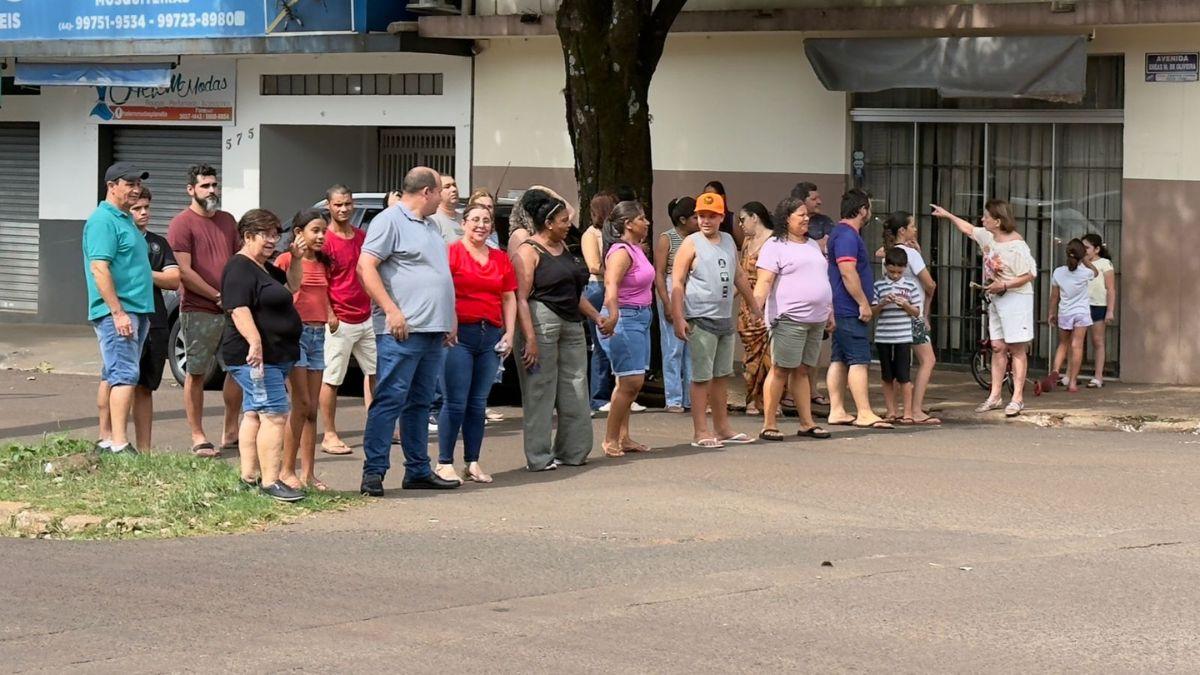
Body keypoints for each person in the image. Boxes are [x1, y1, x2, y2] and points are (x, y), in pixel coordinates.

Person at [357, 167, 462, 496]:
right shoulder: (390, 220)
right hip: (402, 330)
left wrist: (449, 317)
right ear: (427, 192)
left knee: (419, 402)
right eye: (441, 190)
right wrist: (391, 310)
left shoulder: (431, 225)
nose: (445, 196)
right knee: (389, 399)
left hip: (432, 329)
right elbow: (366, 265)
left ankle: (417, 469)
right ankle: (373, 472)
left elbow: (438, 275)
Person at [221, 209, 306, 503]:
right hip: (258, 357)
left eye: (275, 235)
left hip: (276, 354)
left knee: (255, 412)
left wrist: (295, 258)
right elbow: (237, 307)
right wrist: (255, 342)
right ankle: (271, 481)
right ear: (248, 236)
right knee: (274, 413)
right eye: (266, 235)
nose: (273, 241)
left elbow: (293, 287)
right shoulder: (239, 268)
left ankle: (248, 477)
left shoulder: (265, 268)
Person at [514, 188, 600, 471]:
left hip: (572, 323)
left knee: (575, 386)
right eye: (563, 221)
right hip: (542, 323)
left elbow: (574, 294)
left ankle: (573, 451)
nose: (568, 225)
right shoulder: (528, 251)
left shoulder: (564, 248)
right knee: (540, 389)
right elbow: (521, 298)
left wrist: (597, 317)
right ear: (548, 223)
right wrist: (530, 339)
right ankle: (538, 457)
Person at [436, 203, 517, 484]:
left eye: (486, 221)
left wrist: (510, 332)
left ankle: (472, 461)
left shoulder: (499, 257)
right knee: (455, 401)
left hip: (490, 334)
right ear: (463, 223)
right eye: (475, 220)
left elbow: (508, 296)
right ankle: (444, 461)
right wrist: (450, 321)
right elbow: (442, 292)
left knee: (478, 403)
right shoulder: (452, 253)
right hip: (459, 335)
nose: (481, 225)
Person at [670, 191, 759, 448]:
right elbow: (677, 280)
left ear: (721, 216)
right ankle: (700, 431)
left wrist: (753, 304)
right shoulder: (691, 243)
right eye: (701, 216)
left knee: (721, 376)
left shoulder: (729, 240)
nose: (705, 221)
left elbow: (738, 275)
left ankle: (723, 428)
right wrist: (678, 316)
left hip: (723, 317)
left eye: (711, 216)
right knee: (701, 377)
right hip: (700, 317)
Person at [932, 200, 1037, 417]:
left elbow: (1029, 275)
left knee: (1017, 348)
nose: (982, 219)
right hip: (997, 297)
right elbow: (969, 229)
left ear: (997, 221)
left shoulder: (1017, 246)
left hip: (1016, 298)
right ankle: (995, 395)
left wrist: (1005, 284)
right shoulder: (989, 236)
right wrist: (948, 215)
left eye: (986, 216)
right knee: (997, 346)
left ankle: (1017, 398)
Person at [167, 164, 243, 458]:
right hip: (199, 309)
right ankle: (198, 435)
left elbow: (238, 258)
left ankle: (230, 429)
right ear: (191, 190)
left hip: (232, 308)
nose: (212, 190)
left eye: (214, 185)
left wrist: (235, 296)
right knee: (196, 372)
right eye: (205, 186)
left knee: (237, 368)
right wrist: (215, 295)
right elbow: (183, 271)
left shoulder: (227, 220)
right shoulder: (181, 224)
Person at [85, 162, 154, 455]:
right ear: (111, 186)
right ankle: (119, 443)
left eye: (138, 183)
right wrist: (117, 312)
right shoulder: (104, 220)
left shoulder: (125, 219)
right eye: (129, 183)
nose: (136, 189)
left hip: (136, 309)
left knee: (113, 374)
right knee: (125, 375)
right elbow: (99, 268)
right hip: (121, 311)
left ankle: (107, 439)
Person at [753, 196, 833, 442]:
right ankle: (769, 423)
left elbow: (822, 279)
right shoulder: (775, 246)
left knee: (803, 371)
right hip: (789, 318)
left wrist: (830, 310)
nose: (806, 218)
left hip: (816, 318)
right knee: (780, 370)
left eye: (806, 215)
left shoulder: (811, 245)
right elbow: (764, 282)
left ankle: (807, 423)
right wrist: (756, 312)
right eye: (800, 215)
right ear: (786, 218)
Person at [273, 210, 332, 491]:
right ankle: (286, 470)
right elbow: (276, 295)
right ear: (299, 233)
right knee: (301, 404)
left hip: (318, 335)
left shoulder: (322, 262)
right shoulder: (286, 260)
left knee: (311, 410)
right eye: (315, 230)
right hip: (295, 336)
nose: (321, 236)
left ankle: (308, 473)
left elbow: (324, 296)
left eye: (324, 231)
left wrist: (331, 313)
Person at [825, 189, 892, 429]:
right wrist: (863, 302)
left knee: (840, 359)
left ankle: (838, 410)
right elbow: (847, 271)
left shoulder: (840, 234)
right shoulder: (847, 236)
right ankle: (864, 412)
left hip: (841, 307)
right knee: (858, 359)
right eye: (868, 207)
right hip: (849, 308)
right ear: (862, 209)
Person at [318, 185, 377, 455]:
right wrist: (330, 313)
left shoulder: (363, 236)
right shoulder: (325, 240)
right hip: (340, 319)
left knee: (376, 373)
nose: (343, 209)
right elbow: (320, 282)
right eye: (338, 204)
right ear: (329, 206)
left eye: (347, 204)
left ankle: (378, 426)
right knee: (332, 379)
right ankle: (329, 434)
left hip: (367, 316)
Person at [596, 201, 655, 457]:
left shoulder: (637, 249)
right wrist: (614, 312)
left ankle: (623, 436)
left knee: (629, 381)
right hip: (625, 318)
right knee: (631, 381)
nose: (647, 222)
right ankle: (610, 440)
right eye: (642, 218)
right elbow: (611, 285)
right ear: (628, 224)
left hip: (641, 317)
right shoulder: (620, 251)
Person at [130, 188, 180, 450]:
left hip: (156, 319)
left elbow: (173, 279)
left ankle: (144, 450)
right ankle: (112, 440)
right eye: (137, 208)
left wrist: (144, 272)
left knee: (146, 386)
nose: (144, 213)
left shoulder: (158, 243)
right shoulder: (119, 239)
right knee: (121, 382)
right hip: (127, 320)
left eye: (147, 207)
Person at [881, 211, 940, 425]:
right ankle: (915, 408)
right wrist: (926, 309)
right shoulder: (911, 255)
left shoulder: (889, 254)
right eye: (912, 226)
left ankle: (894, 409)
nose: (916, 229)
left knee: (896, 365)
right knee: (928, 360)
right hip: (913, 313)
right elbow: (929, 283)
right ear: (902, 231)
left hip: (893, 316)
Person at [790, 181, 834, 408]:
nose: (820, 202)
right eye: (814, 198)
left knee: (814, 348)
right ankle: (789, 393)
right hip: (795, 302)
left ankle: (812, 389)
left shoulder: (826, 222)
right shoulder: (786, 227)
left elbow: (830, 246)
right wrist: (818, 244)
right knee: (791, 350)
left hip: (821, 292)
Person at [653, 197, 697, 413]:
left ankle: (691, 397)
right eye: (695, 217)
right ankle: (673, 398)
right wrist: (666, 302)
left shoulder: (697, 239)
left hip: (693, 293)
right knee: (673, 348)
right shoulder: (667, 239)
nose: (699, 220)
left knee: (692, 350)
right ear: (682, 220)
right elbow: (659, 274)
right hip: (672, 290)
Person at [872, 247, 922, 422]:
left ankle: (907, 412)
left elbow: (917, 312)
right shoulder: (878, 285)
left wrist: (906, 305)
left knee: (904, 376)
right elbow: (872, 312)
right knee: (887, 376)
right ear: (886, 267)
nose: (894, 275)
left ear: (905, 268)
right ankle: (890, 411)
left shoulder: (910, 285)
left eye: (898, 272)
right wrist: (882, 303)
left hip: (903, 337)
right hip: (883, 336)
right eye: (891, 271)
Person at [736, 202, 774, 416]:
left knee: (770, 354)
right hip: (747, 304)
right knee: (751, 355)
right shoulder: (747, 242)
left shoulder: (774, 241)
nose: (740, 224)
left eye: (742, 219)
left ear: (755, 217)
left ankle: (770, 400)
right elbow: (740, 274)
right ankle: (752, 399)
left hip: (768, 303)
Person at [1048, 239, 1099, 393]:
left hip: (1065, 312)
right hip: (1081, 313)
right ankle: (1072, 383)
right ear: (1081, 255)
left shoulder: (1058, 272)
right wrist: (1085, 260)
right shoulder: (1085, 273)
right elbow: (1096, 272)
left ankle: (1055, 371)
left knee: (1063, 344)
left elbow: (1054, 297)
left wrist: (1051, 313)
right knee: (1077, 346)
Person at [581, 193, 617, 413]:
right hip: (598, 287)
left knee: (614, 344)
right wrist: (617, 270)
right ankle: (598, 397)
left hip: (611, 286)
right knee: (601, 345)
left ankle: (615, 393)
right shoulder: (591, 234)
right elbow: (593, 265)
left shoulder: (612, 233)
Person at [1082, 233, 1116, 388]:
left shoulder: (1105, 264)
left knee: (1098, 341)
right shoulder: (1079, 264)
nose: (1084, 250)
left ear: (1096, 249)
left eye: (1087, 247)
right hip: (1081, 305)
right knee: (1076, 342)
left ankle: (1098, 376)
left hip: (1098, 305)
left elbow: (1111, 289)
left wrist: (1110, 310)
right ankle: (1070, 375)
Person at [702, 180, 745, 249]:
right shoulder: (700, 219)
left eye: (712, 196)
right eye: (705, 196)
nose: (709, 199)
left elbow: (742, 245)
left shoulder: (731, 219)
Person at [430, 174, 462, 244]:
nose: (454, 189)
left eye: (454, 185)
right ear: (437, 192)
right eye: (447, 187)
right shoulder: (432, 220)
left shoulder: (465, 218)